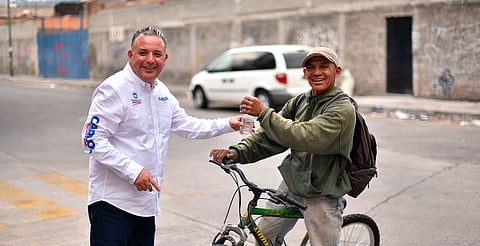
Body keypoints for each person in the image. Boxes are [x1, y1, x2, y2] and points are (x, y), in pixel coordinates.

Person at [81, 26, 242, 246]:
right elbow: (92, 141)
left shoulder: (161, 92)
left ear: (165, 58)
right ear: (130, 55)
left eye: (157, 54)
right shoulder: (114, 89)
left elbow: (187, 125)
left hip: (146, 206)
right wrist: (134, 172)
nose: (150, 60)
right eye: (143, 53)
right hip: (112, 205)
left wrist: (228, 124)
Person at [210, 47, 356, 245]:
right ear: (304, 73)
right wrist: (237, 152)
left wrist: (264, 113)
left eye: (324, 67)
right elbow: (271, 136)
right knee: (264, 236)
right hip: (293, 183)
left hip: (323, 191)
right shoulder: (300, 101)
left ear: (336, 71)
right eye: (311, 67)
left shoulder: (342, 109)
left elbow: (305, 136)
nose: (317, 72)